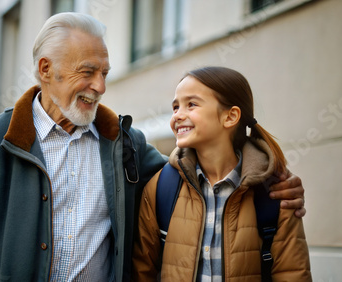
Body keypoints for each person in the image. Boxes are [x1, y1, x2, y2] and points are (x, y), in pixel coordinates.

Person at [0, 13, 306, 281]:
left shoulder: (125, 144)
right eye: (88, 71)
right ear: (46, 70)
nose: (100, 87)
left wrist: (271, 179)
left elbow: (197, 179)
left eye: (105, 73)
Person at [133, 66, 312, 281]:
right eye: (175, 107)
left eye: (191, 104)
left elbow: (292, 275)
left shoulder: (275, 193)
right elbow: (141, 273)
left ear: (230, 117)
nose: (178, 115)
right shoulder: (161, 187)